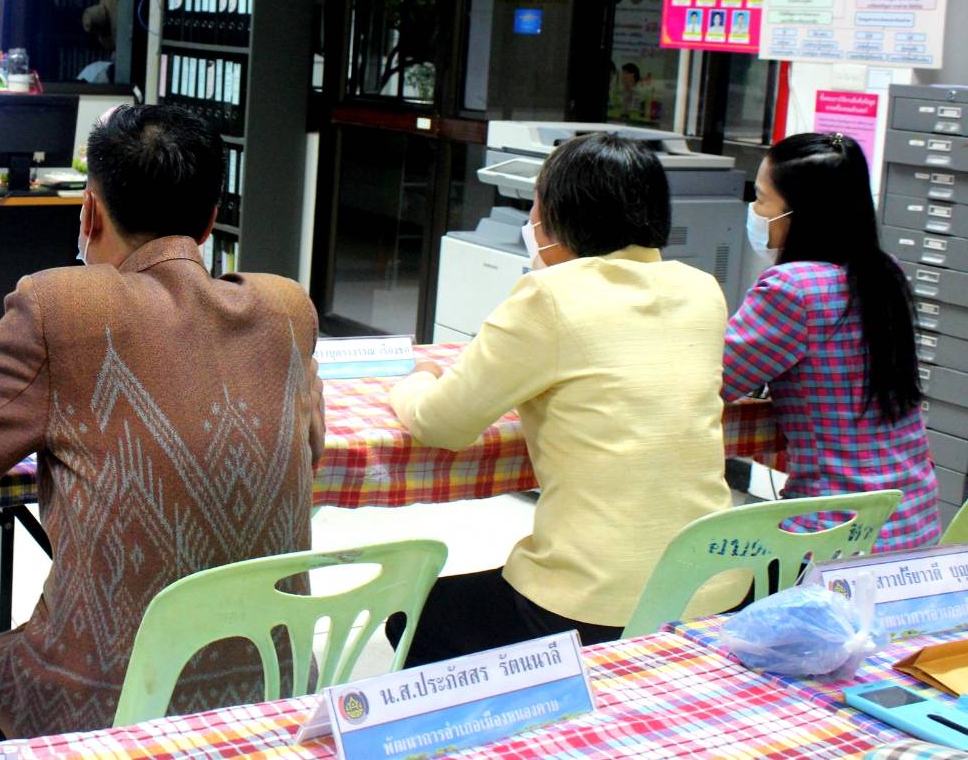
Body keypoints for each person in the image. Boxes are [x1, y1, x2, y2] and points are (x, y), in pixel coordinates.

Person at [0, 103, 324, 745]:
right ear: (211, 221)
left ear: (89, 212)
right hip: (272, 686)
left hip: (106, 699)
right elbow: (307, 451)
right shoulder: (287, 308)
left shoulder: (61, 305)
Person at [384, 133, 739, 663]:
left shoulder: (549, 296)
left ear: (558, 216)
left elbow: (441, 424)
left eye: (535, 204)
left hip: (595, 607)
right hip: (714, 587)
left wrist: (415, 378)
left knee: (410, 621)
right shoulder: (701, 289)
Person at [725, 132, 938, 550]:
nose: (754, 210)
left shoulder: (792, 288)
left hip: (833, 536)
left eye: (763, 199)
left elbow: (713, 381)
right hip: (912, 524)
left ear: (801, 213)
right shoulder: (885, 272)